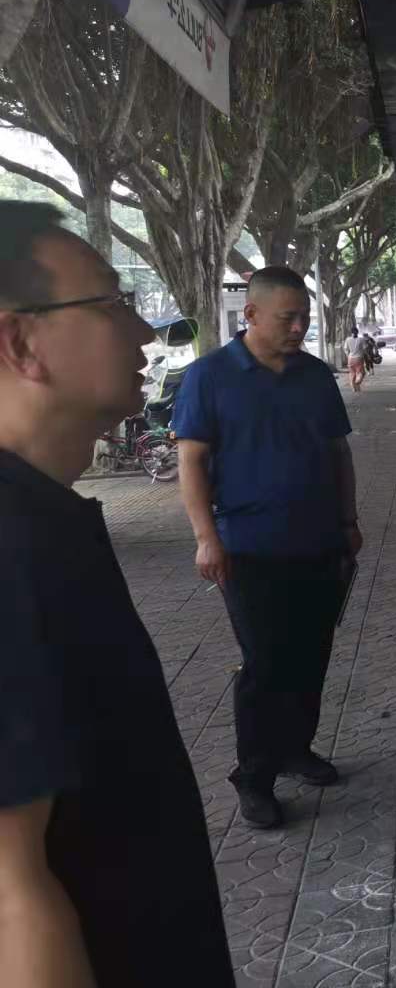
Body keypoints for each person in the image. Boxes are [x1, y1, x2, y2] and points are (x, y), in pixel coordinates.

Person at [0, 202, 233, 984]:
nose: (143, 332)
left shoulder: (43, 516)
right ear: (19, 342)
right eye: (110, 303)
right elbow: (10, 895)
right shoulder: (8, 545)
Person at [173, 266, 362, 829]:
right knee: (266, 662)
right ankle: (254, 777)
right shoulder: (210, 376)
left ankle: (295, 748)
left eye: (304, 317)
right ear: (251, 315)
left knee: (312, 652)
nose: (299, 327)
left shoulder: (315, 375)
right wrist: (205, 539)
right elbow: (191, 461)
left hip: (319, 542)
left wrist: (348, 520)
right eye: (288, 318)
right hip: (248, 550)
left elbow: (339, 454)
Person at [344, 326, 368, 392]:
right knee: (361, 372)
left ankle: (353, 388)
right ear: (357, 332)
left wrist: (348, 356)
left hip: (350, 358)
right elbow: (365, 349)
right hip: (359, 358)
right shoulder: (361, 339)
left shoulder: (348, 339)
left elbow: (346, 349)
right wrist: (366, 355)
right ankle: (357, 382)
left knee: (352, 373)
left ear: (351, 332)